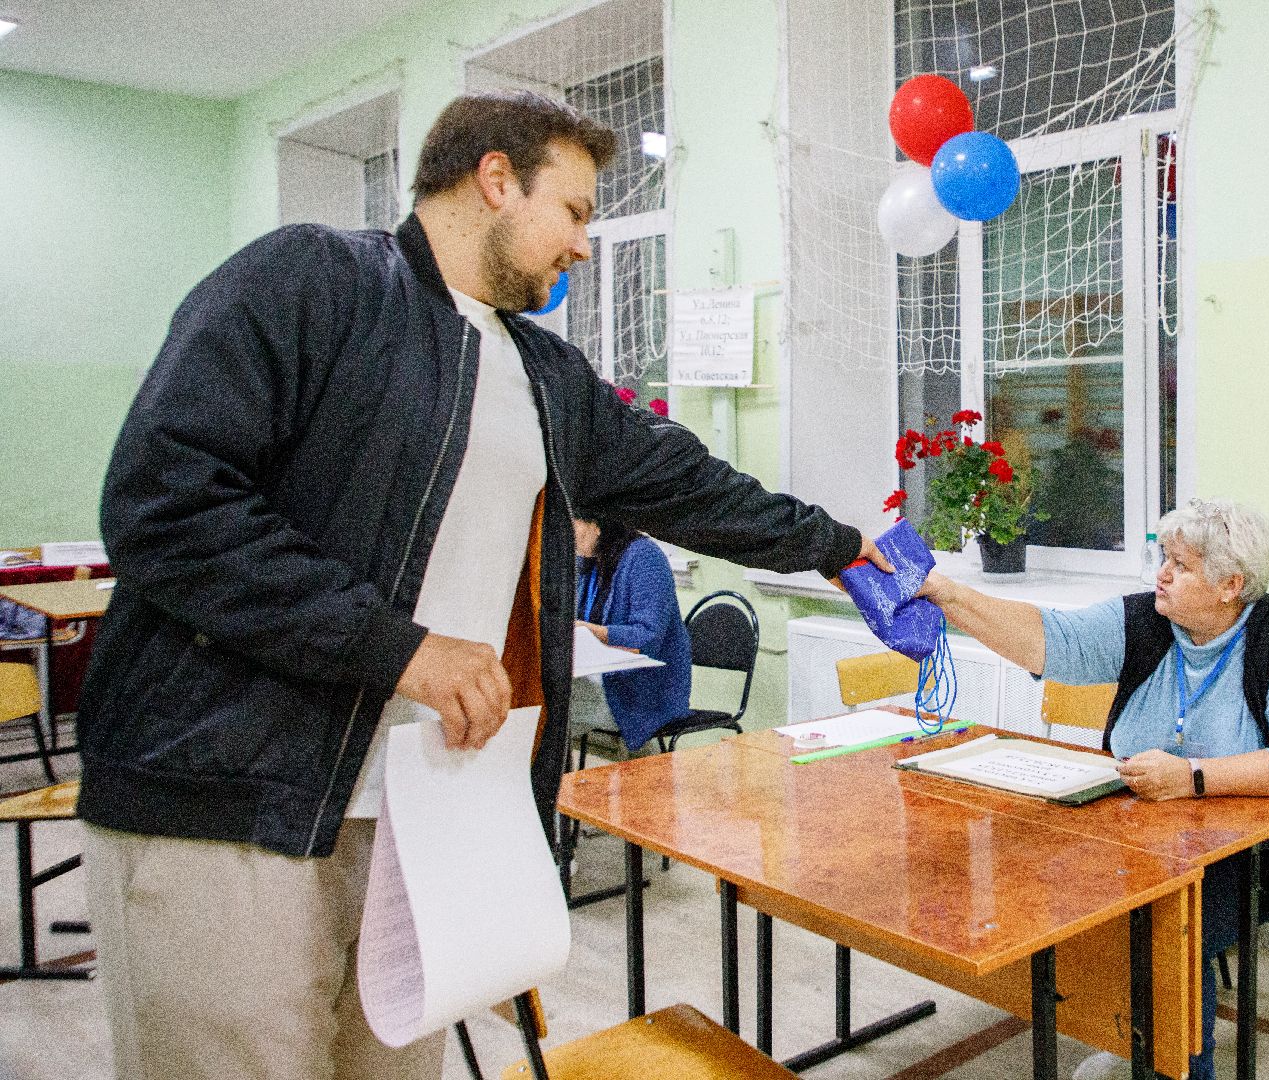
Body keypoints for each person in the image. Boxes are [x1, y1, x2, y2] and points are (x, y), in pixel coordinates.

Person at [76, 90, 890, 1080]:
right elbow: (166, 505)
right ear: (495, 179)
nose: (587, 246)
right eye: (579, 212)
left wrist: (842, 548)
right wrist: (397, 647)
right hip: (232, 803)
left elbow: (690, 485)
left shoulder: (547, 376)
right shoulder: (316, 281)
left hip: (422, 818)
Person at [915, 498, 1269, 1080]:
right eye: (1162, 558)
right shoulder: (1147, 619)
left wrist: (1193, 778)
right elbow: (1051, 639)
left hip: (1247, 855)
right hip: (1136, 832)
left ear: (1231, 585)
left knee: (1165, 926)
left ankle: (1180, 1064)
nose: (1161, 575)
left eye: (1181, 565)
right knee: (1036, 884)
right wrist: (947, 594)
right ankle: (1132, 1036)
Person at [571, 516, 691, 752]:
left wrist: (588, 630)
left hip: (645, 690)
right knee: (545, 693)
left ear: (597, 524)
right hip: (602, 677)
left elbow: (647, 638)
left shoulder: (645, 557)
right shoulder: (586, 561)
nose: (566, 536)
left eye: (572, 524)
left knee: (548, 704)